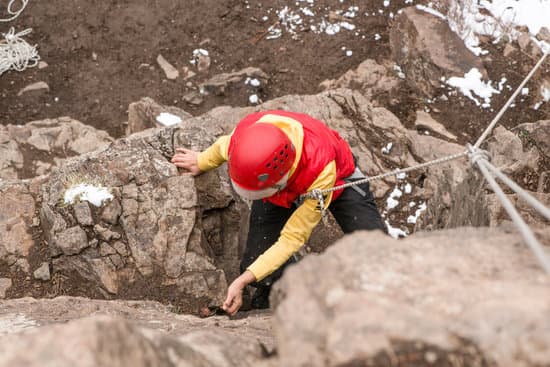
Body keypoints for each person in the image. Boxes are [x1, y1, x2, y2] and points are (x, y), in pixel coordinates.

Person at [171, 110, 385, 315]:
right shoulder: (246, 139)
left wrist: (242, 280)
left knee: (380, 254)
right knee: (257, 262)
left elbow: (293, 236)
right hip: (274, 182)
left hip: (337, 179)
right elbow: (223, 147)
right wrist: (201, 161)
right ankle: (284, 291)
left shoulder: (321, 168)